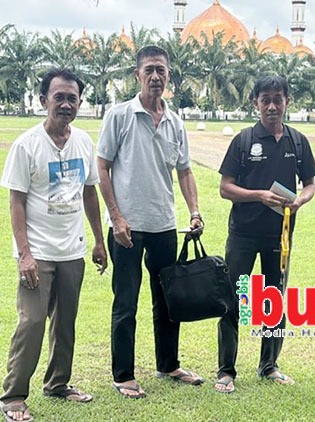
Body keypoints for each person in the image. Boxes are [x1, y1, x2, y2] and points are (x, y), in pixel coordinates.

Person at [96, 45, 204, 399]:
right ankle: (123, 375)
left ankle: (168, 364)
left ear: (168, 75)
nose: (156, 76)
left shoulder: (175, 122)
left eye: (161, 70)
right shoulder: (120, 116)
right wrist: (116, 217)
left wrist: (194, 211)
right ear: (137, 74)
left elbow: (184, 171)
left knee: (168, 299)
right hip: (127, 228)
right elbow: (102, 167)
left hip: (163, 225)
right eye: (149, 70)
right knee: (126, 301)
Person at [0, 68, 107, 422]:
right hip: (39, 253)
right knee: (31, 322)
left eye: (72, 99)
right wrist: (25, 254)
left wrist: (98, 241)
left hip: (72, 251)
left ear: (79, 102)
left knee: (65, 322)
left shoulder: (83, 142)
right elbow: (16, 202)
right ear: (44, 100)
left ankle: (58, 383)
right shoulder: (27, 145)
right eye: (58, 97)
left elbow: (89, 192)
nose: (65, 104)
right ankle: (14, 395)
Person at [216, 75, 315, 393]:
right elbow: (225, 188)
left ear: (287, 101)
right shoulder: (244, 140)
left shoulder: (298, 142)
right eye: (265, 100)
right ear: (255, 103)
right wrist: (258, 195)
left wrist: (301, 200)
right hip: (243, 235)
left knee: (274, 299)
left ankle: (269, 365)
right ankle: (226, 370)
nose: (272, 106)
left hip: (280, 236)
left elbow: (310, 184)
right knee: (234, 299)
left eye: (278, 99)